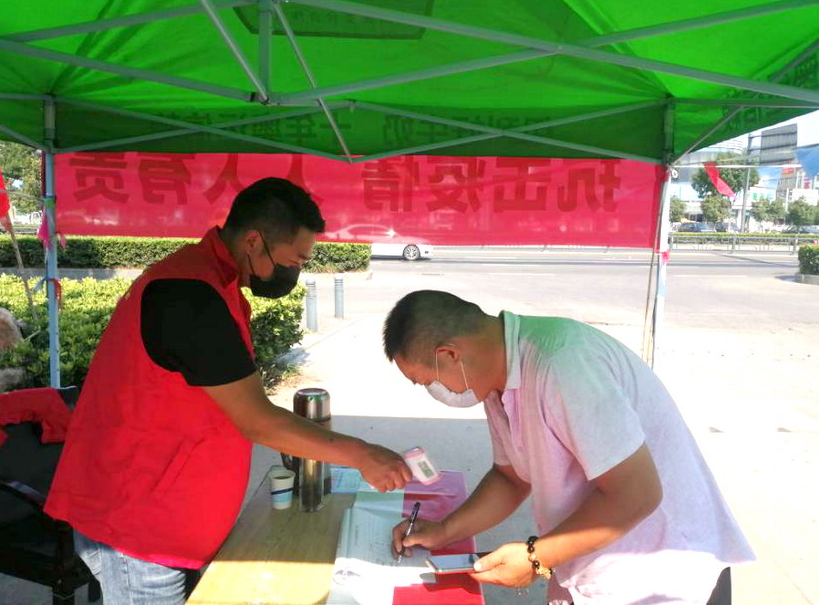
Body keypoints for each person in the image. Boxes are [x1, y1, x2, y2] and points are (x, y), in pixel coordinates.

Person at [45, 178, 411, 604]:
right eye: (294, 259)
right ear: (253, 240)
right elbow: (257, 420)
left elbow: (233, 401)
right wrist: (363, 455)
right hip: (138, 527)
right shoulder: (188, 295)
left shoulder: (215, 283)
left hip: (171, 520)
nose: (295, 272)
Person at [387, 290, 754, 605]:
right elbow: (511, 478)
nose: (434, 392)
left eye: (427, 381)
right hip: (591, 566)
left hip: (658, 575)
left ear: (450, 354)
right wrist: (445, 530)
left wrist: (536, 558)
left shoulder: (564, 362)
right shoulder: (496, 383)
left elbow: (637, 494)